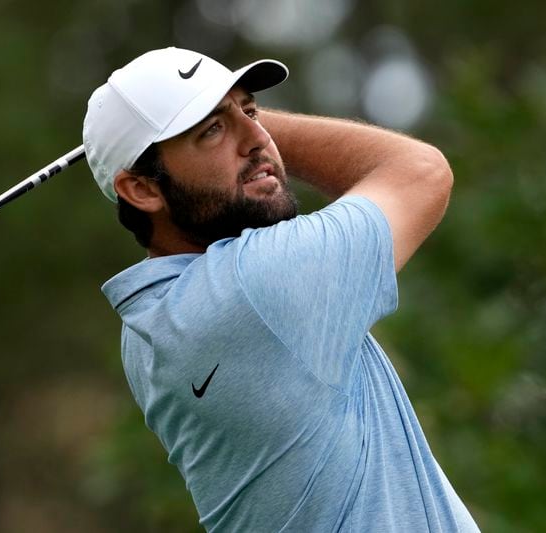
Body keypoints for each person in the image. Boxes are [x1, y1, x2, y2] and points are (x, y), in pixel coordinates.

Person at [83, 47, 480, 532]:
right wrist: (243, 114)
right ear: (143, 189)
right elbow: (420, 171)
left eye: (252, 110)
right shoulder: (256, 287)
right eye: (212, 130)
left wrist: (219, 113)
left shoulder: (148, 324)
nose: (259, 138)